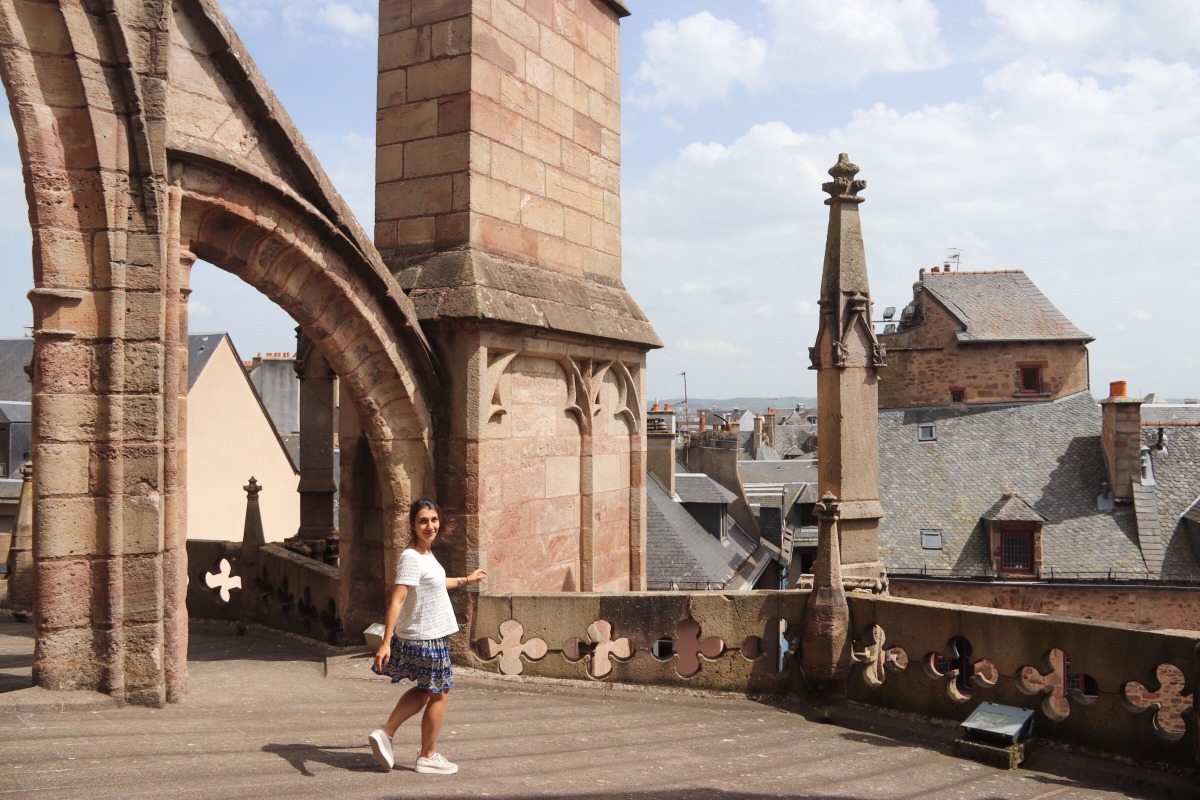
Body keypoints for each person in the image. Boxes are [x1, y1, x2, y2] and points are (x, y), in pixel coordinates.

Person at [368, 498, 486, 774]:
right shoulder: (411, 557)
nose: (430, 526)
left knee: (425, 690)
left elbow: (435, 582)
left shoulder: (425, 555)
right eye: (423, 521)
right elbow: (396, 600)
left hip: (426, 636)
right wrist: (385, 642)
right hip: (426, 639)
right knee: (440, 693)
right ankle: (427, 756)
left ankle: (386, 733)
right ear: (413, 524)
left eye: (433, 520)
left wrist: (467, 580)